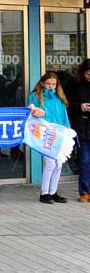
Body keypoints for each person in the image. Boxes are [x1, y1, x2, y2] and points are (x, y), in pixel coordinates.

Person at [29, 72, 71, 204]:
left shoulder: (59, 98)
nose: (51, 86)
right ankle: (44, 193)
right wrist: (34, 111)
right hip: (44, 133)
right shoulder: (35, 96)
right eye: (48, 84)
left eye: (53, 84)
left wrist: (68, 132)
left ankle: (53, 192)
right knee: (50, 163)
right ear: (42, 83)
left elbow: (64, 116)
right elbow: (31, 112)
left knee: (58, 164)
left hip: (59, 133)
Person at [70, 59, 90, 203]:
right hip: (82, 125)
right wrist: (80, 106)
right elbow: (68, 103)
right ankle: (85, 191)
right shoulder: (76, 86)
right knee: (84, 160)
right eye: (88, 74)